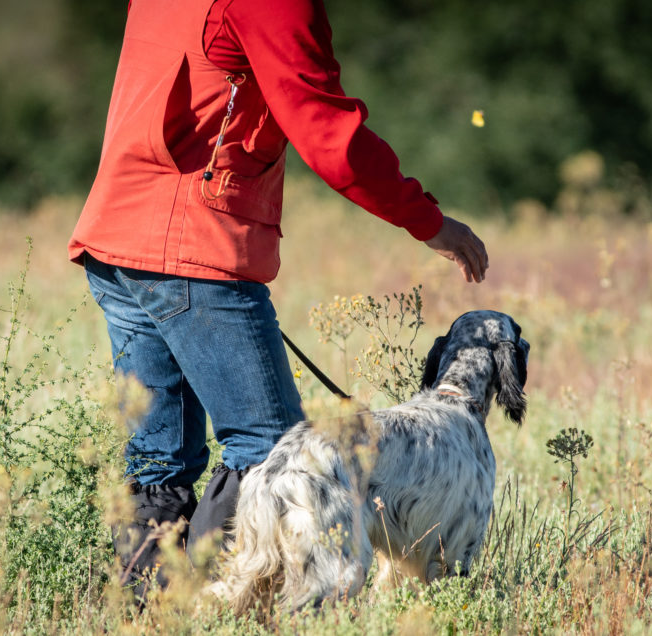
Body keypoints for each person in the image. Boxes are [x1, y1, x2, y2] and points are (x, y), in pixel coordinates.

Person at [68, 0, 488, 600]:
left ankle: (149, 612)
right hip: (193, 244)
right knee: (278, 457)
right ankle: (225, 610)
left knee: (158, 465)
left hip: (118, 233)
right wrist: (428, 222)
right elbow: (326, 131)